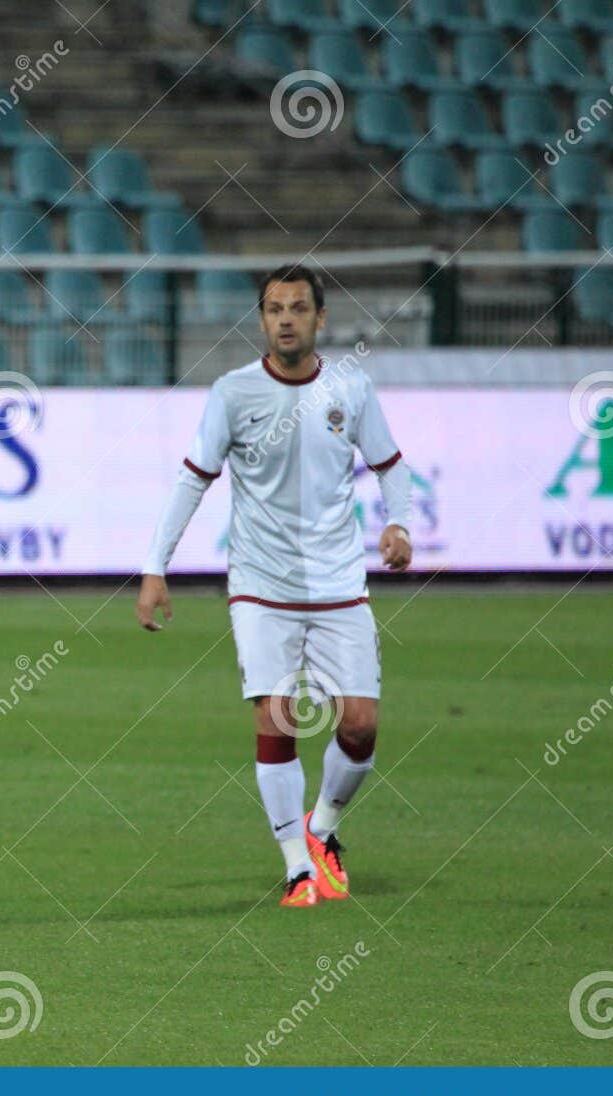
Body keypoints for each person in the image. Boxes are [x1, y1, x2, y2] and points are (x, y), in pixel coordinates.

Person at [136, 265, 413, 908]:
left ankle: (322, 829)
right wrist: (156, 568)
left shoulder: (352, 389)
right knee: (278, 716)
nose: (285, 318)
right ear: (261, 320)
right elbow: (192, 481)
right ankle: (296, 868)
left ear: (320, 319)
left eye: (297, 308)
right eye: (273, 309)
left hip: (341, 581)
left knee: (362, 727)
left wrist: (397, 523)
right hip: (262, 585)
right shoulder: (233, 394)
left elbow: (391, 468)